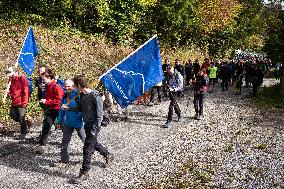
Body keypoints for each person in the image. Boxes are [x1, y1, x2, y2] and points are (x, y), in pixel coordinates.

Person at [62, 75, 113, 183]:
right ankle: (107, 154)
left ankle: (84, 172)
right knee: (93, 144)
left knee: (87, 149)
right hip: (87, 124)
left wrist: (95, 128)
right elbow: (80, 108)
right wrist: (69, 107)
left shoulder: (95, 96)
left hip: (94, 126)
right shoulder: (82, 95)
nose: (75, 88)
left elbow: (100, 115)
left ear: (79, 86)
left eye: (75, 86)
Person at [56, 79, 85, 164]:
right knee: (65, 141)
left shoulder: (78, 95)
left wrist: (82, 119)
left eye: (69, 86)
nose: (67, 88)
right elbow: (61, 110)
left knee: (84, 138)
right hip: (68, 122)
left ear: (73, 86)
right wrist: (59, 121)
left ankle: (93, 149)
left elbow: (82, 108)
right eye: (65, 86)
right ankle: (64, 158)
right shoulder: (64, 96)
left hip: (78, 122)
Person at [35, 68, 64, 153]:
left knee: (63, 126)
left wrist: (46, 101)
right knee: (46, 126)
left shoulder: (57, 87)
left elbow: (59, 101)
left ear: (50, 78)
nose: (43, 81)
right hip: (50, 109)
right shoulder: (46, 86)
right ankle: (42, 145)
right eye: (42, 79)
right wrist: (43, 100)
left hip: (59, 109)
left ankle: (66, 141)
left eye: (44, 79)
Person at [6, 66, 30, 139]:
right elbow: (10, 90)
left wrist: (25, 102)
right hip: (14, 101)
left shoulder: (22, 79)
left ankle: (24, 133)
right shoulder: (10, 80)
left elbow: (26, 91)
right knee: (12, 115)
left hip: (21, 101)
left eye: (11, 74)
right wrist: (8, 93)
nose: (10, 75)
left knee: (21, 117)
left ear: (16, 72)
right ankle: (26, 123)